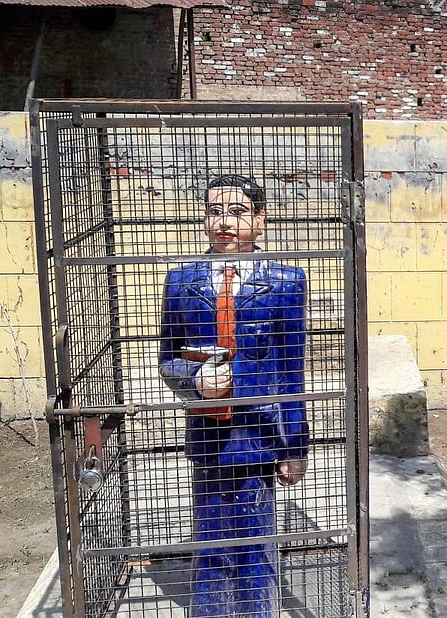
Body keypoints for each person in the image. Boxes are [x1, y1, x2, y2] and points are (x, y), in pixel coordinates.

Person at [158, 174, 309, 617]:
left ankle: (258, 611)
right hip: (207, 432)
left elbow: (291, 370)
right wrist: (194, 381)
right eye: (215, 212)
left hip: (259, 433)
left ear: (260, 220)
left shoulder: (285, 281)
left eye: (237, 212)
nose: (224, 222)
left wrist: (296, 445)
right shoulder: (181, 281)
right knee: (211, 538)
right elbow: (167, 358)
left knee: (257, 540)